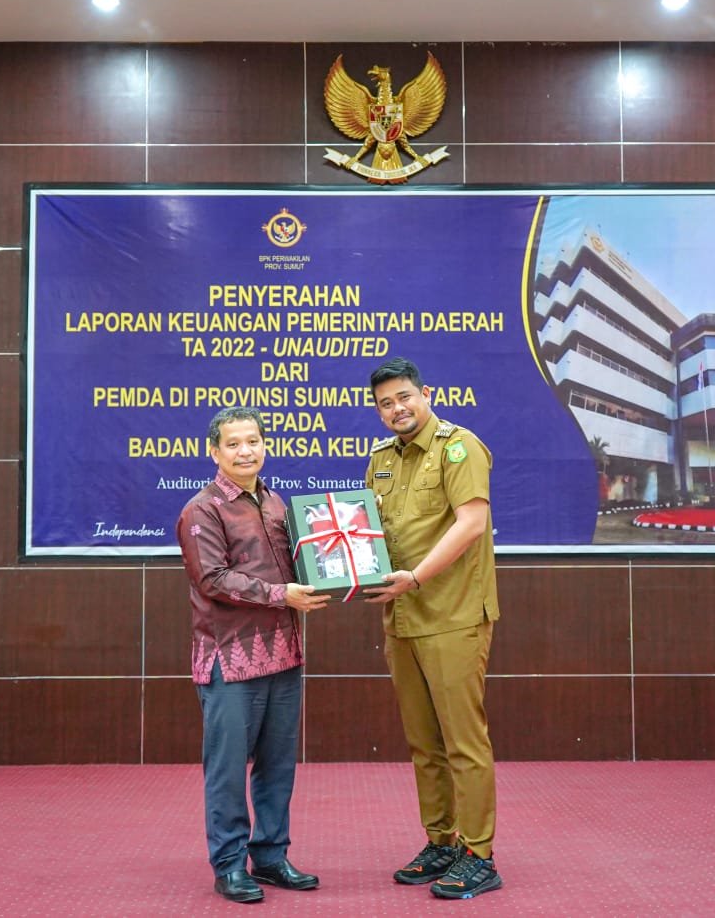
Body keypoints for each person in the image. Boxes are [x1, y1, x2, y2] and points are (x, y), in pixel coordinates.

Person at [176, 406, 331, 903]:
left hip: (283, 653)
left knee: (277, 765)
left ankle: (270, 857)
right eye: (234, 443)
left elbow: (303, 561)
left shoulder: (275, 502)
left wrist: (340, 569)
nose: (246, 451)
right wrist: (282, 594)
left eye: (253, 441)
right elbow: (212, 579)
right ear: (214, 452)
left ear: (265, 445)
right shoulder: (202, 510)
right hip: (230, 658)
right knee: (227, 770)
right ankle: (228, 865)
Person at [362, 357, 502, 900]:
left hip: (453, 615)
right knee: (424, 743)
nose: (396, 409)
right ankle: (442, 841)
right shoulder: (380, 460)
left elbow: (472, 523)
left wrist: (416, 577)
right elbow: (368, 532)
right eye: (385, 404)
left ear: (426, 395)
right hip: (402, 618)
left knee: (463, 741)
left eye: (404, 397)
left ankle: (479, 853)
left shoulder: (458, 448)